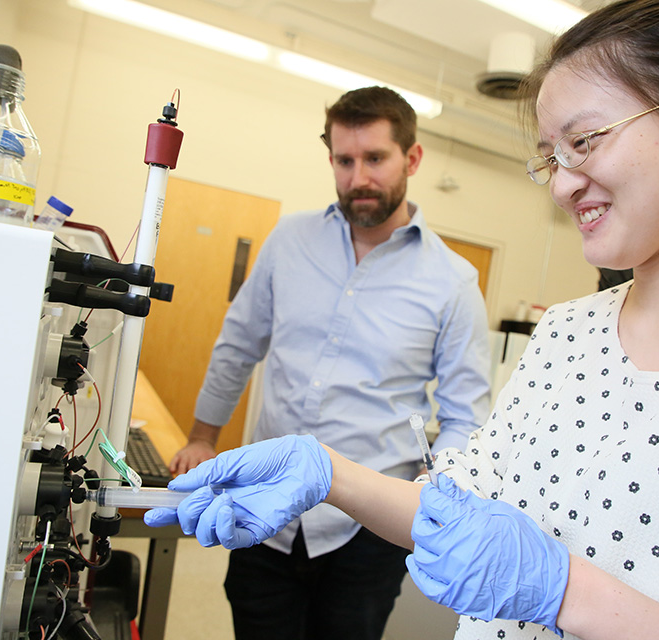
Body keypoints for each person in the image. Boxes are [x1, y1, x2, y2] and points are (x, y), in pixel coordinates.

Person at [147, 1, 659, 638]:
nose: (565, 181)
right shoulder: (570, 333)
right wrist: (327, 473)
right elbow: (459, 500)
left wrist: (565, 590)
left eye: (588, 139)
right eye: (552, 155)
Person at [167, 85, 493, 640]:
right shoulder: (290, 240)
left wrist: (431, 485)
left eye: (375, 158)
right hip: (262, 512)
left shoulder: (453, 281)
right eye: (345, 160)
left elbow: (466, 412)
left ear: (411, 159)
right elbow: (238, 344)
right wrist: (203, 436)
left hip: (368, 531)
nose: (358, 177)